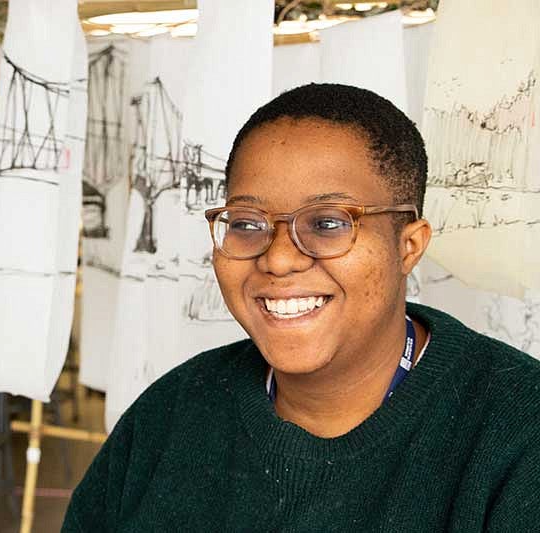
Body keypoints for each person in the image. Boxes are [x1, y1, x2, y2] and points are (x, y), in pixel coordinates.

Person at [62, 83, 540, 532]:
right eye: (247, 224)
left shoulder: (518, 434)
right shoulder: (169, 416)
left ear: (408, 246)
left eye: (328, 222)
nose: (279, 258)